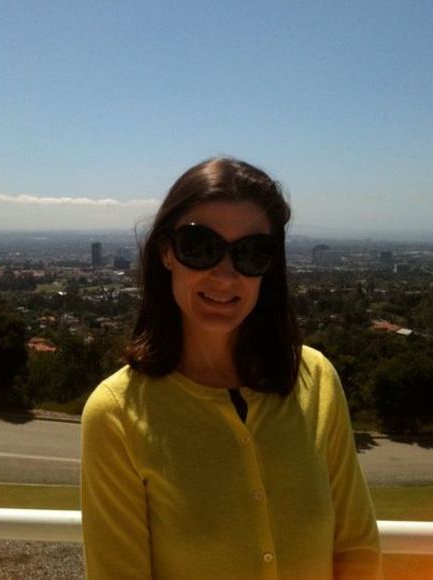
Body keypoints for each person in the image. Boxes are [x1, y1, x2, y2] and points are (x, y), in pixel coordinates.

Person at [81, 157, 382, 579]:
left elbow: (356, 550)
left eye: (251, 253)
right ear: (166, 252)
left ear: (270, 267)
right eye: (199, 247)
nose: (224, 275)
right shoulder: (117, 415)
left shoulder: (315, 380)